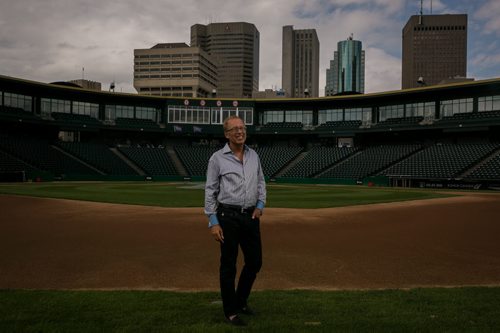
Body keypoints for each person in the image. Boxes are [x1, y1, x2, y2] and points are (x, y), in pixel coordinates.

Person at [204, 115, 266, 326]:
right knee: (228, 266)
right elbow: (210, 191)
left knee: (255, 262)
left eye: (242, 128)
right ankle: (230, 311)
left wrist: (260, 206)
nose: (240, 132)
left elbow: (261, 183)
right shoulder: (217, 159)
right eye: (235, 129)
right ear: (227, 134)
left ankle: (240, 301)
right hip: (227, 217)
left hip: (250, 216)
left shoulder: (254, 156)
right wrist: (213, 221)